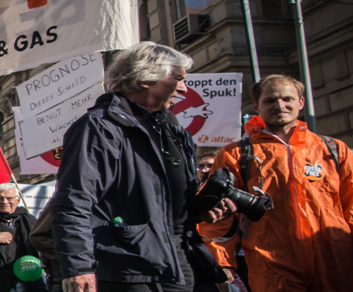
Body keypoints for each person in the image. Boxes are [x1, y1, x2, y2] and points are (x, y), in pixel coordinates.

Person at [51, 42, 236, 292]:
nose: (184, 88)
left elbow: (163, 203)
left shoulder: (175, 131)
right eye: (178, 79)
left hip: (179, 260)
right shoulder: (100, 127)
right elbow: (74, 200)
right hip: (129, 268)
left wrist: (200, 210)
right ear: (144, 79)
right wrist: (79, 266)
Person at [198, 74, 353, 292]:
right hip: (271, 261)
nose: (280, 105)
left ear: (301, 102)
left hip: (333, 257)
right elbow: (219, 213)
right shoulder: (236, 154)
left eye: (287, 99)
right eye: (270, 100)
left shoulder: (333, 149)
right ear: (256, 106)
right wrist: (222, 262)